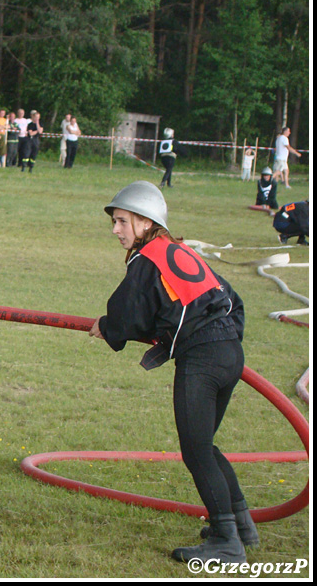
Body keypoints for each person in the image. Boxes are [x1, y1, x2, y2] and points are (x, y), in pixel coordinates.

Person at [89, 181, 253, 565]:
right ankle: (242, 526)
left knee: (195, 451)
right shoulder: (179, 250)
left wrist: (107, 325)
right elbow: (229, 298)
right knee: (205, 446)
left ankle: (228, 541)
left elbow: (129, 310)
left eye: (121, 221)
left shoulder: (147, 258)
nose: (115, 230)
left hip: (203, 359)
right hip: (230, 351)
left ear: (146, 222)